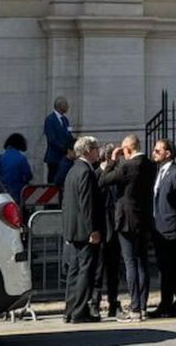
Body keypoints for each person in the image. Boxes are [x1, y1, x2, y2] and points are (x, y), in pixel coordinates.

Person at [98, 134, 155, 323]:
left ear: (128, 149)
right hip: (145, 218)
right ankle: (143, 306)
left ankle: (135, 307)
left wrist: (113, 161)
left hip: (127, 220)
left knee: (130, 262)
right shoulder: (149, 164)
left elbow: (104, 180)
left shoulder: (127, 166)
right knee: (142, 263)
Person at [60, 135, 105, 324]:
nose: (98, 151)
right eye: (96, 148)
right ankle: (79, 311)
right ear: (88, 150)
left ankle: (69, 310)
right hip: (85, 231)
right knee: (85, 271)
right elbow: (86, 204)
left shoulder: (73, 170)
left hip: (74, 230)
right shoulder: (86, 171)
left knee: (74, 272)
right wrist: (92, 230)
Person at [150, 138, 176, 318]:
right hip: (159, 228)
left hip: (172, 227)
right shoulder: (160, 172)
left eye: (158, 150)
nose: (154, 152)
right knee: (165, 268)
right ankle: (165, 303)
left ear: (168, 154)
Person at [95, 143, 123, 319]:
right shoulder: (96, 174)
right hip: (100, 228)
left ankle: (113, 301)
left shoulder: (117, 175)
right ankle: (95, 302)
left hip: (115, 227)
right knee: (98, 269)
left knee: (114, 269)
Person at [0, 133, 34, 207]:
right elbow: (29, 176)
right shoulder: (22, 158)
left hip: (3, 191)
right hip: (18, 192)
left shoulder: (1, 157)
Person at [44, 97, 74, 183]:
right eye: (66, 104)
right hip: (54, 157)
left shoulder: (65, 120)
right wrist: (65, 149)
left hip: (64, 157)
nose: (68, 106)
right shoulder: (50, 120)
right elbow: (52, 139)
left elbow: (69, 135)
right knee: (53, 179)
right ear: (60, 106)